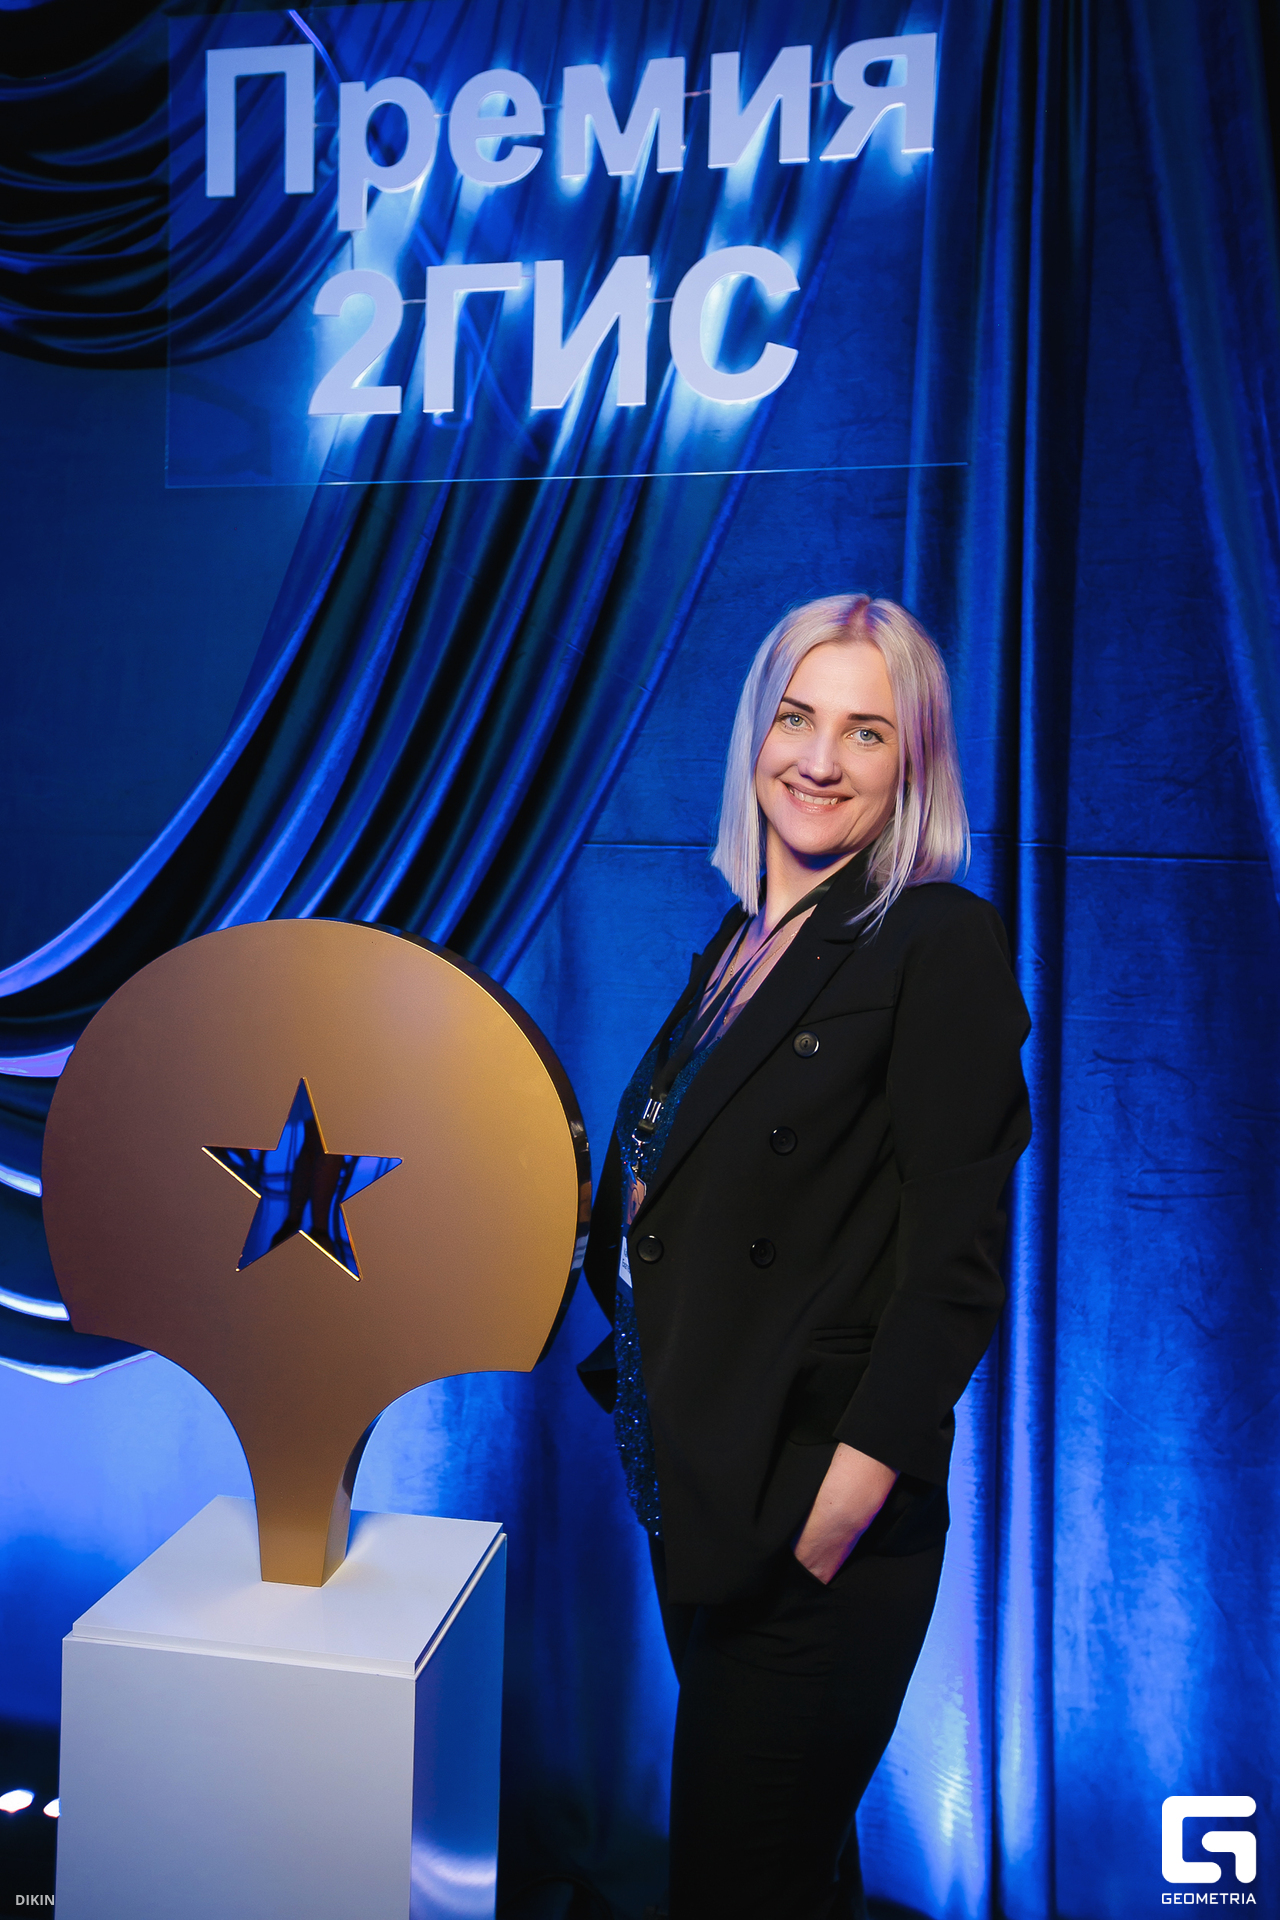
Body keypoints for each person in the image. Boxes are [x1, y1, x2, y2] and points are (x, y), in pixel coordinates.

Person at [578, 593, 1032, 1920]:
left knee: (736, 1885)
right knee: (790, 1880)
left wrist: (842, 1504)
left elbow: (957, 1258)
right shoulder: (740, 944)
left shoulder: (936, 942)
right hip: (702, 1491)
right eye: (797, 718)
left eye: (866, 732)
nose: (820, 760)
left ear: (914, 763)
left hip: (812, 1524)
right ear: (756, 734)